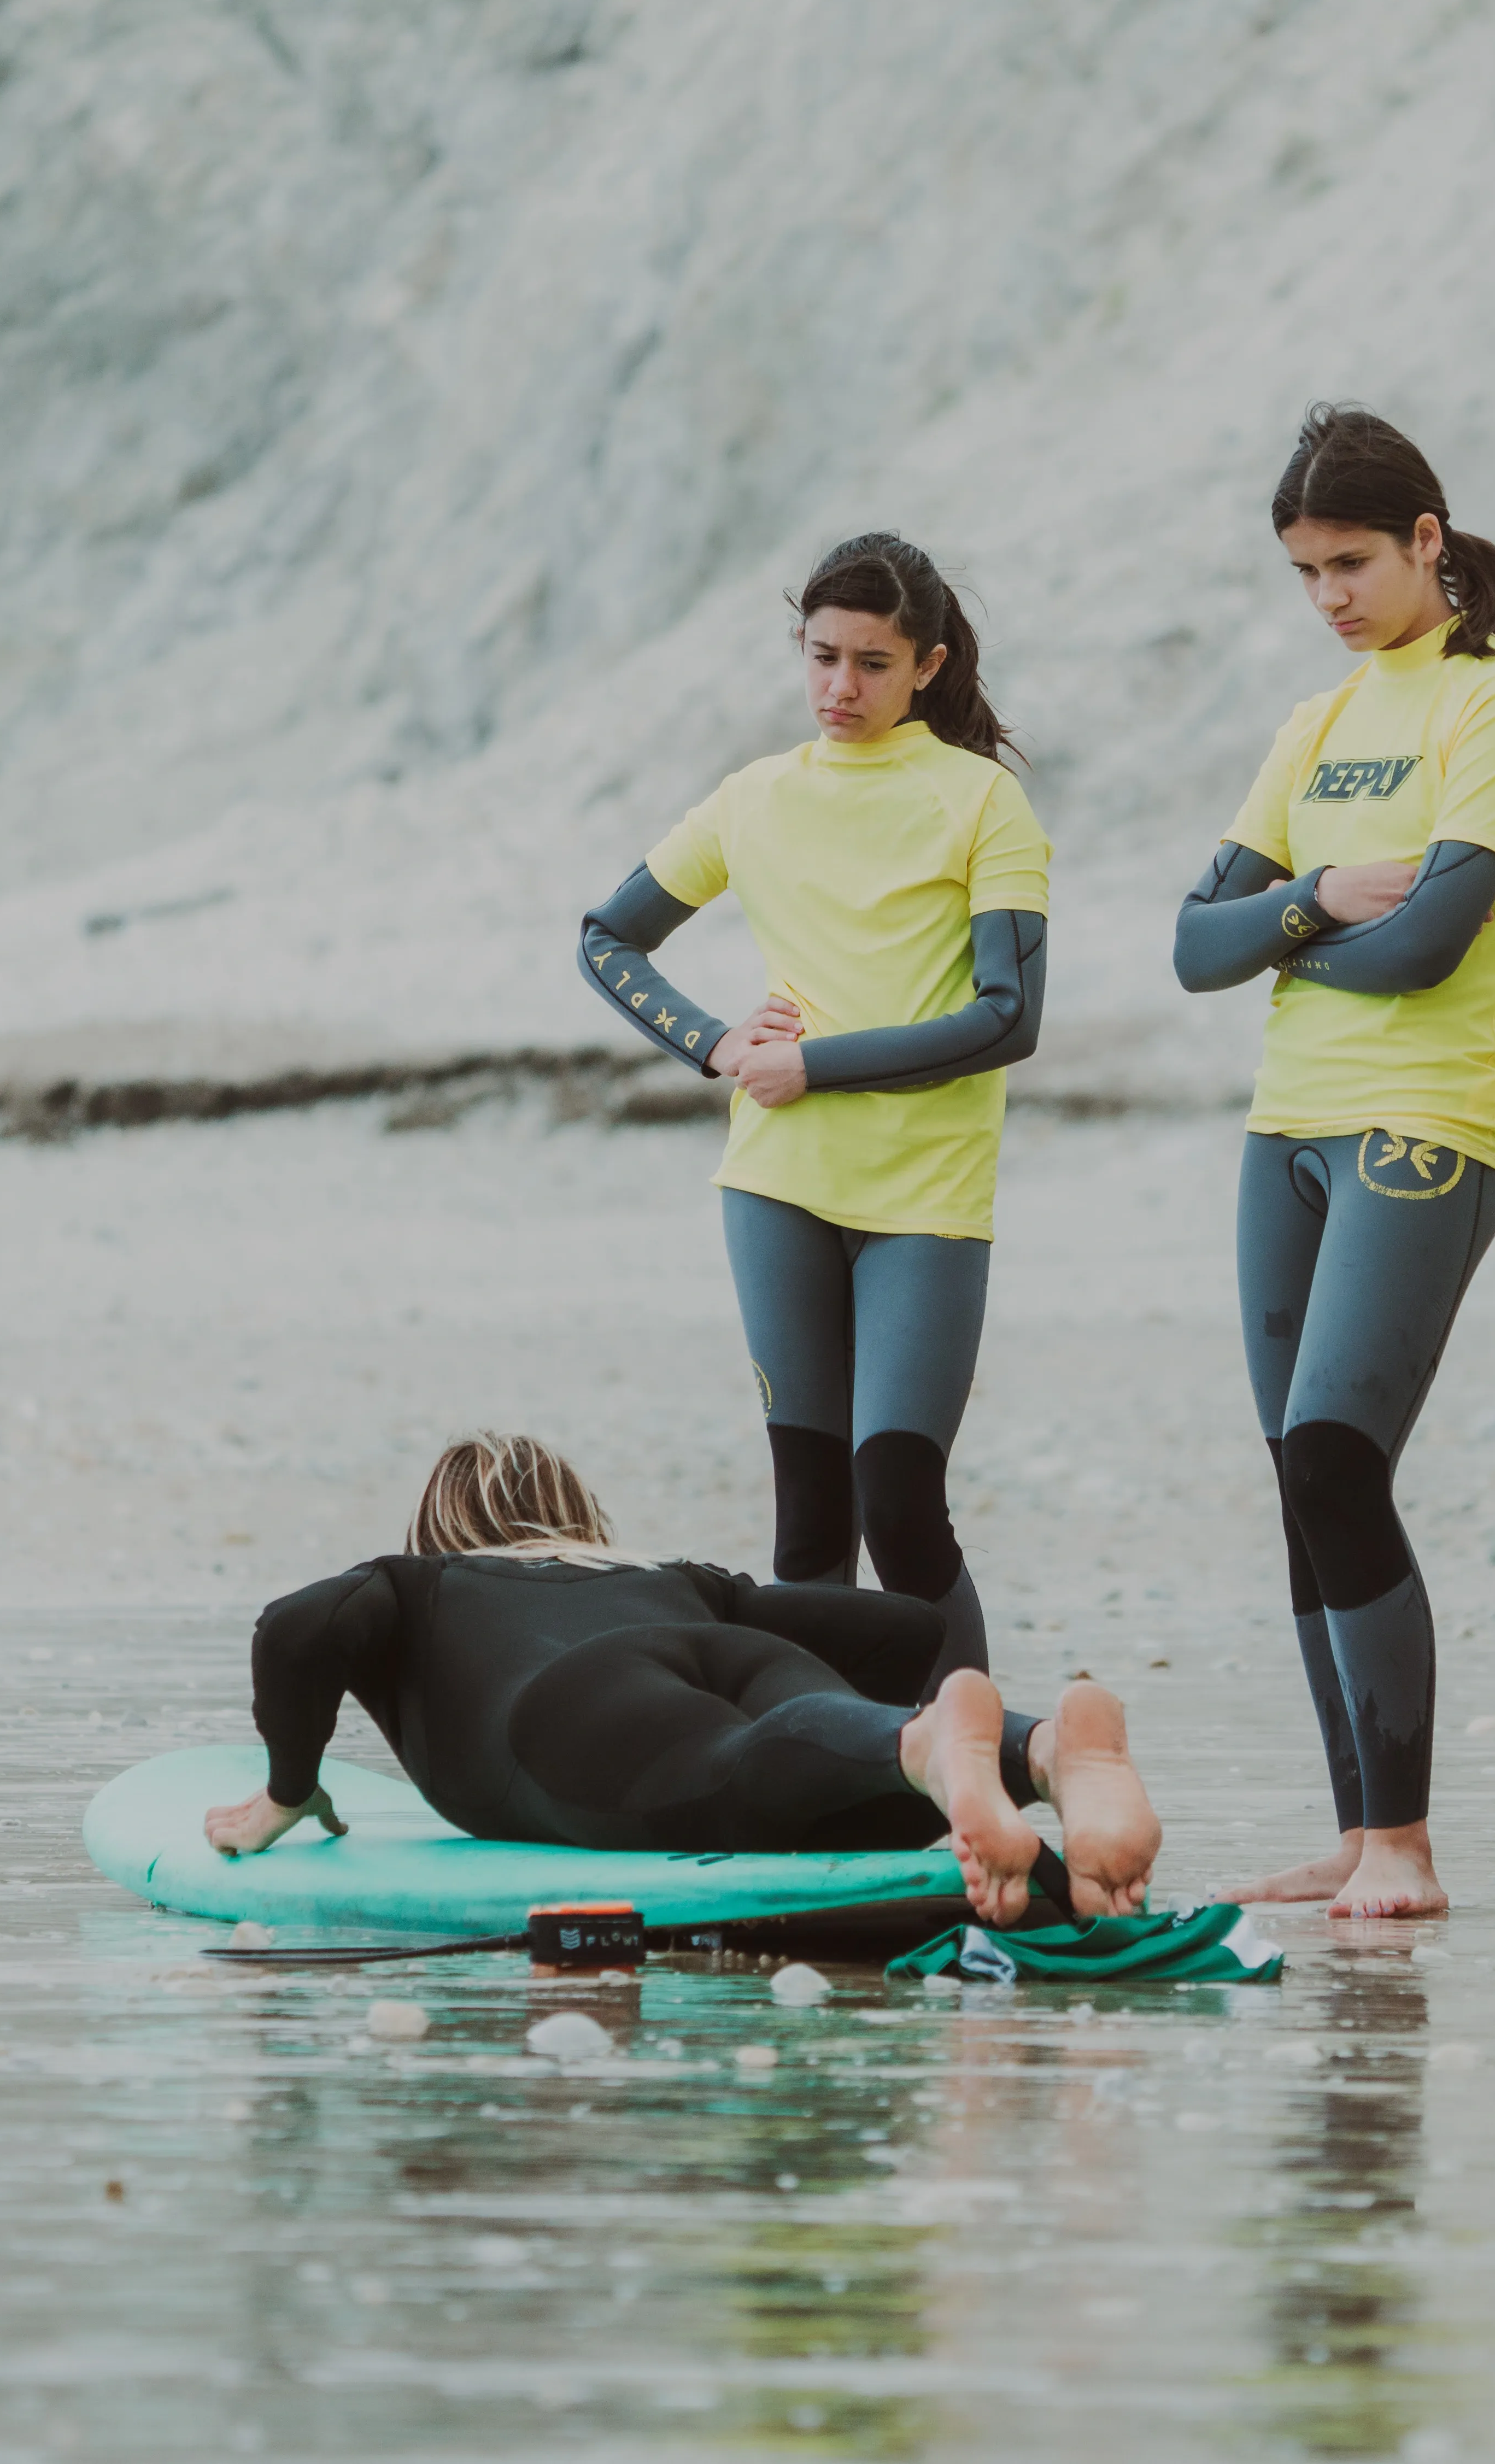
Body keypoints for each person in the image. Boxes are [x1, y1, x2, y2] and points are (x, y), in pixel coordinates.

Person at [1174, 404, 1495, 1919]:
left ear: (1427, 540)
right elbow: (1193, 945)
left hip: (1425, 1121)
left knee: (1342, 1457)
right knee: (1300, 1477)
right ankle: (1352, 1835)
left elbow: (1432, 946)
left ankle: (1403, 1845)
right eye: (1302, 573)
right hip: (1287, 1129)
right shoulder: (1319, 720)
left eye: (1350, 561)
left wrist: (1297, 929)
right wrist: (1317, 902)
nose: (1330, 596)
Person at [574, 535, 1048, 1685]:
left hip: (924, 1195)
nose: (841, 687)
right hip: (776, 1185)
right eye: (822, 657)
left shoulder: (982, 803)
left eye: (873, 664)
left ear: (928, 665)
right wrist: (716, 1044)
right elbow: (608, 938)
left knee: (900, 1498)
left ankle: (983, 1769)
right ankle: (820, 1774)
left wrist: (813, 1064)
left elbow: (1006, 1021)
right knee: (807, 1519)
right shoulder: (754, 798)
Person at [203, 1431, 1162, 1925]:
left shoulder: (417, 1584)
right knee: (839, 1753)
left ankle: (923, 1741)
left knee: (736, 1770)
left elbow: (298, 1626)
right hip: (730, 1648)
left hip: (571, 1710)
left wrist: (289, 1786)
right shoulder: (672, 1577)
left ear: (436, 1530)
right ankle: (1040, 1751)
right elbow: (900, 1623)